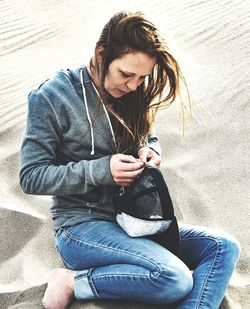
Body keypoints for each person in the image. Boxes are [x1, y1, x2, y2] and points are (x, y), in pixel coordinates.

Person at [19, 11, 241, 309]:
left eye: (142, 77)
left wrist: (150, 151)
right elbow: (31, 176)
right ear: (101, 55)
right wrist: (102, 170)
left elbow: (147, 135)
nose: (134, 86)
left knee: (223, 247)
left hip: (135, 221)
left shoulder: (132, 92)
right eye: (126, 74)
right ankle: (72, 282)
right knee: (174, 278)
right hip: (81, 228)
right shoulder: (52, 97)